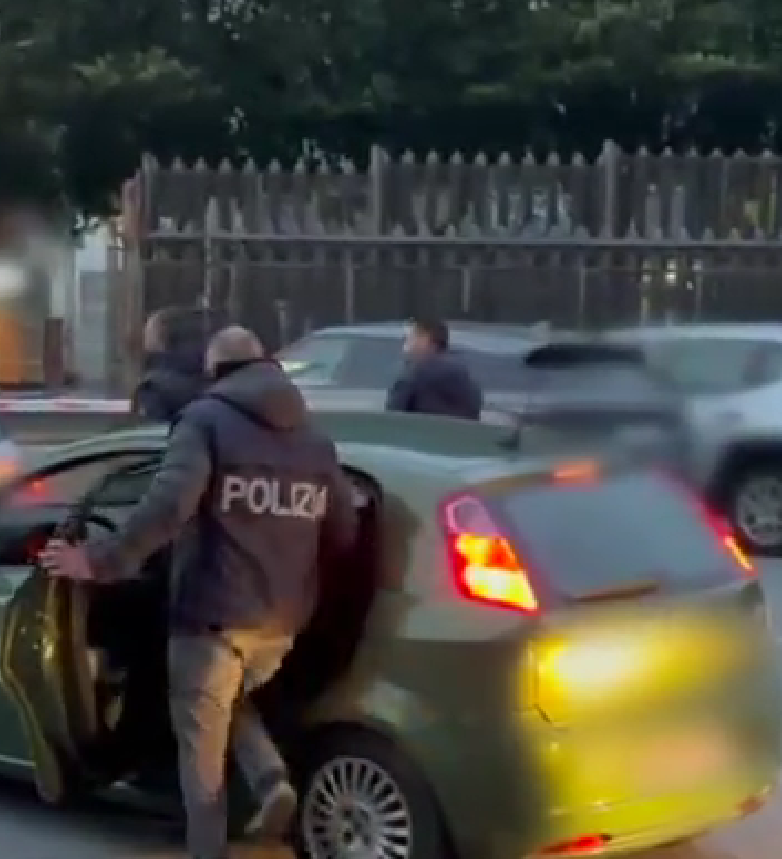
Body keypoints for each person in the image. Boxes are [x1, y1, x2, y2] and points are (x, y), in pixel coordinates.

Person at [39, 326, 359, 857]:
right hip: (282, 621)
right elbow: (344, 530)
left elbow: (168, 507)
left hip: (212, 614)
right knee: (228, 699)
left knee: (200, 751)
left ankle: (208, 849)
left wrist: (98, 560)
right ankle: (269, 777)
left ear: (214, 373)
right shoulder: (315, 442)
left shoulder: (204, 422)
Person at [385, 318, 483, 419]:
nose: (405, 347)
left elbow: (392, 419)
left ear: (424, 340)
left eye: (409, 339)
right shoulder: (469, 380)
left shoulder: (414, 375)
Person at [133, 305, 211, 422]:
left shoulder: (153, 386)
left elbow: (150, 432)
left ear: (161, 336)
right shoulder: (210, 373)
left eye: (148, 330)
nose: (144, 335)